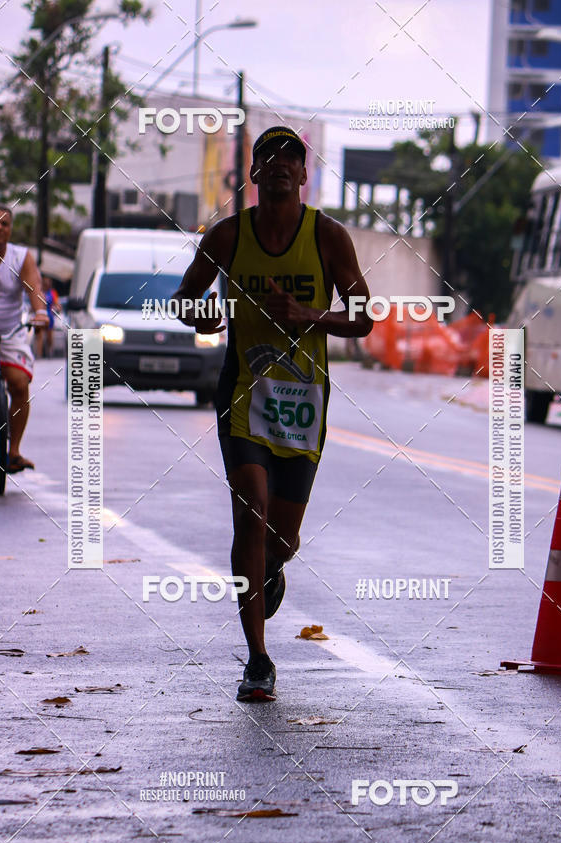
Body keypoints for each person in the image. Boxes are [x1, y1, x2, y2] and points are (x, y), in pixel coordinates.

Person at [175, 126, 372, 701]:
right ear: (254, 174)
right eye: (269, 157)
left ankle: (269, 570)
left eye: (293, 156)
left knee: (281, 540)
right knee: (251, 514)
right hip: (243, 395)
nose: (281, 164)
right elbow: (186, 295)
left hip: (304, 404)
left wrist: (312, 315)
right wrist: (201, 316)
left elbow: (363, 317)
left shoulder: (329, 237)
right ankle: (258, 660)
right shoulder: (228, 236)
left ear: (305, 175)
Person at [0, 205, 49, 473]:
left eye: (5, 224)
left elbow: (34, 288)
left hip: (9, 334)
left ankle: (13, 451)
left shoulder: (21, 256)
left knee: (19, 385)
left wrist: (40, 312)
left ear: (11, 228)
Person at [35, 274, 61, 359]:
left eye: (48, 283)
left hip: (50, 316)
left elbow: (57, 304)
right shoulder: (40, 292)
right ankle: (39, 354)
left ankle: (49, 351)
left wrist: (57, 308)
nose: (46, 284)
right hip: (41, 314)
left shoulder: (53, 293)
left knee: (49, 336)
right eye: (45, 283)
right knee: (40, 335)